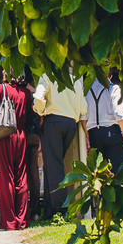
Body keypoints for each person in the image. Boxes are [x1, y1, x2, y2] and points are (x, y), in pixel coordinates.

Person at [34, 71, 87, 219]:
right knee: (52, 165)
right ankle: (49, 209)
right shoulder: (75, 80)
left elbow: (38, 97)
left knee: (54, 165)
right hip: (70, 124)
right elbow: (83, 108)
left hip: (53, 122)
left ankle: (60, 209)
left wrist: (40, 111)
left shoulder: (48, 75)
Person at [0, 73, 33, 230]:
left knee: (5, 177)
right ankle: (21, 220)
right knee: (21, 176)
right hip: (21, 135)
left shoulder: (0, 89)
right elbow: (29, 116)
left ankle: (9, 221)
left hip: (4, 135)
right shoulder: (25, 93)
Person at [85, 71, 123, 172]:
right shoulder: (113, 88)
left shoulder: (86, 90)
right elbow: (118, 113)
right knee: (114, 171)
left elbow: (83, 117)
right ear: (110, 76)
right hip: (112, 132)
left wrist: (87, 135)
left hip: (93, 134)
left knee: (98, 172)